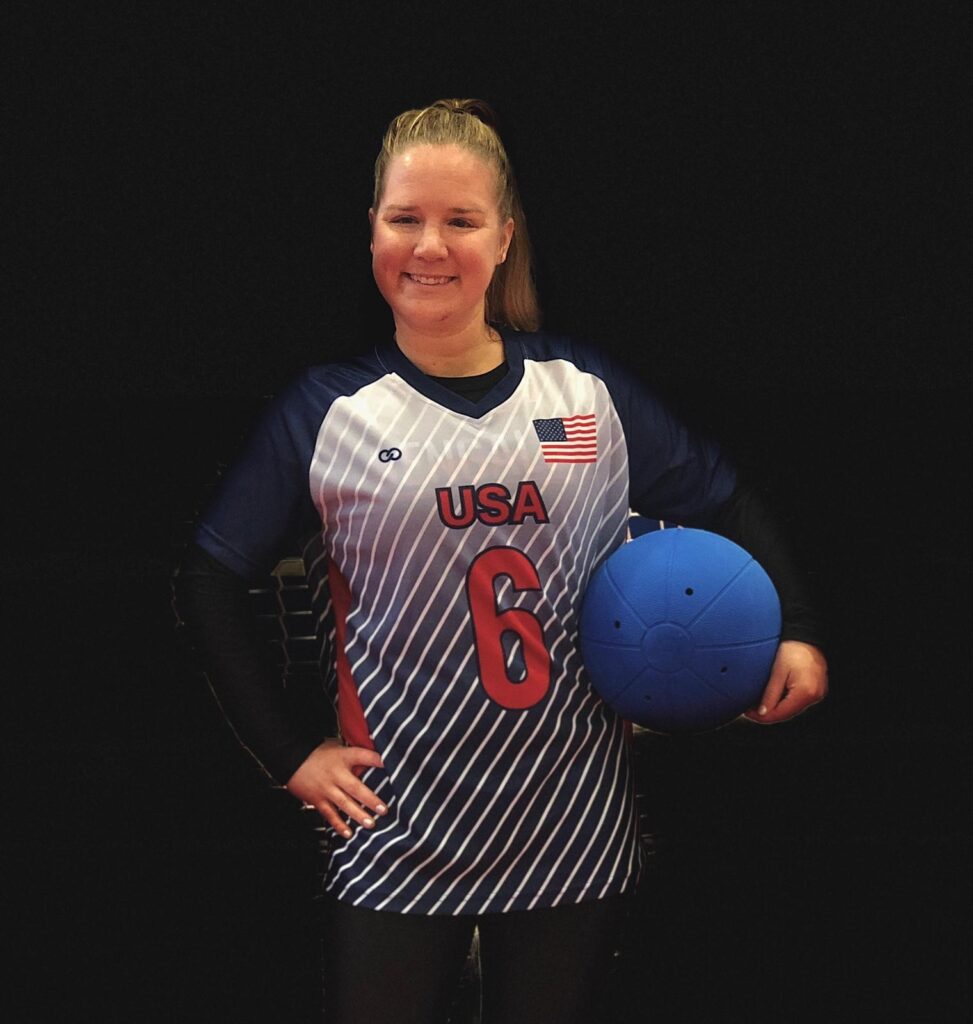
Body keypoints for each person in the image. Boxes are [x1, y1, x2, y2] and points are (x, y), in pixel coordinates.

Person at [174, 98, 828, 1024]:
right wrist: (288, 753)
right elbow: (209, 577)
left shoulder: (584, 395)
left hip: (573, 816)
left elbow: (720, 500)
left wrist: (793, 628)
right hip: (399, 824)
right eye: (405, 219)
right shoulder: (328, 411)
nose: (429, 245)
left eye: (460, 220)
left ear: (504, 238)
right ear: (372, 234)